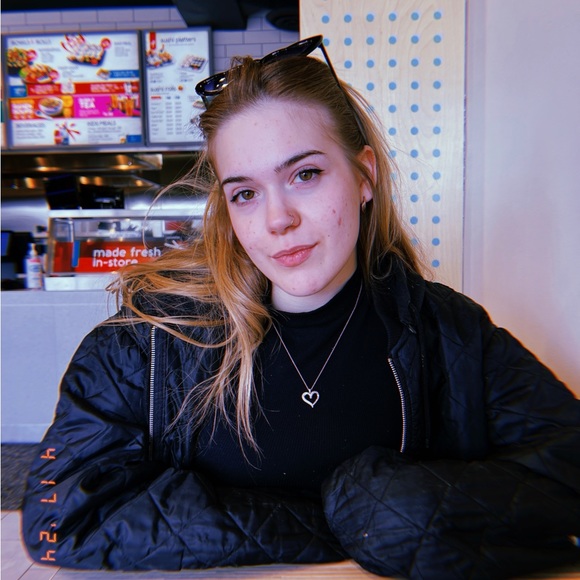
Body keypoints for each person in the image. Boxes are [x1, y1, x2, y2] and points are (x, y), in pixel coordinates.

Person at [22, 35, 579, 579]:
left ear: (364, 176)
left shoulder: (449, 332)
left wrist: (394, 508)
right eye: (245, 193)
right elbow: (62, 516)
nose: (277, 220)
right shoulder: (147, 338)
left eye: (305, 175)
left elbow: (566, 464)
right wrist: (342, 524)